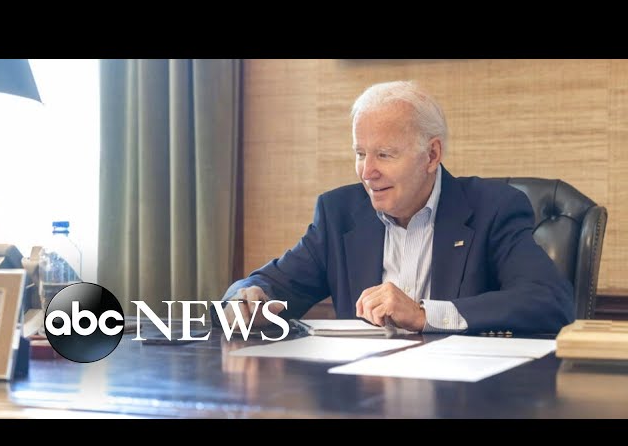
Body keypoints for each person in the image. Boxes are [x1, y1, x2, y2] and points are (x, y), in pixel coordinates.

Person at [220, 80, 574, 334]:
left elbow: (549, 301)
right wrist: (246, 300)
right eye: (361, 153)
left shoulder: (492, 208)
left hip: (463, 397)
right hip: (362, 394)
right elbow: (270, 283)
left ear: (431, 155)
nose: (367, 172)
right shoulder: (339, 213)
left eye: (384, 155)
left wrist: (424, 314)